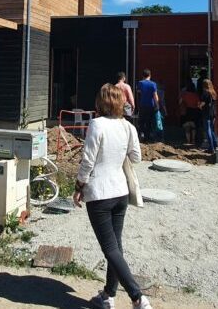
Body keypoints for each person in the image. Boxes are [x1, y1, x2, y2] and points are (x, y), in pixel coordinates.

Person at [74, 84, 153, 309]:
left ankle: (138, 298)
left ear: (101, 102)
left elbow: (88, 160)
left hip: (99, 194)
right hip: (120, 192)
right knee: (115, 246)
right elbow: (136, 157)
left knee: (109, 248)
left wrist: (79, 185)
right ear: (120, 102)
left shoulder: (96, 124)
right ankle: (108, 295)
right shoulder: (127, 126)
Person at [136, 69, 159, 142]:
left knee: (141, 121)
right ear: (150, 75)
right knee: (149, 122)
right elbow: (155, 96)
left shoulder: (140, 83)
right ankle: (147, 137)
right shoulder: (153, 84)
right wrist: (157, 105)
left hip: (142, 105)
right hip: (151, 105)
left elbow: (138, 92)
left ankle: (140, 136)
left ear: (143, 76)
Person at [178, 80, 201, 145]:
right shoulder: (196, 95)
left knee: (187, 127)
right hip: (195, 111)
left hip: (187, 111)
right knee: (193, 127)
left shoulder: (184, 94)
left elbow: (180, 102)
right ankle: (193, 140)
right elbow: (199, 104)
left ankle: (188, 141)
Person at [200, 78, 218, 154]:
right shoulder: (213, 92)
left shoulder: (205, 93)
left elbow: (203, 103)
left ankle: (211, 148)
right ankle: (215, 145)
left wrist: (200, 106)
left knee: (208, 130)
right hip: (213, 113)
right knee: (211, 129)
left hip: (207, 113)